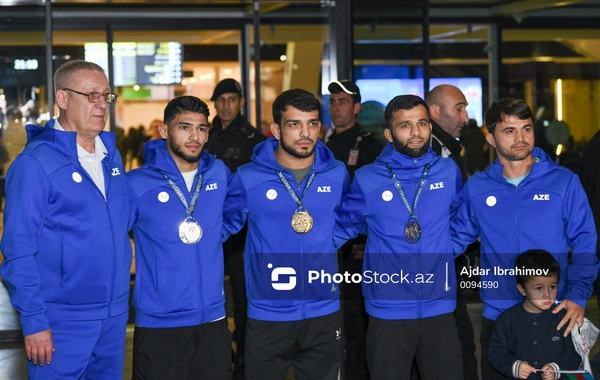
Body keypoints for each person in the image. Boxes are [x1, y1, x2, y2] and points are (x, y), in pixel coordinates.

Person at [0, 59, 138, 379]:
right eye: (91, 95)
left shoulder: (110, 156)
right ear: (63, 99)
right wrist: (34, 322)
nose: (101, 104)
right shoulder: (34, 164)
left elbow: (126, 218)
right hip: (62, 321)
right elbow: (18, 251)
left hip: (114, 315)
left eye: (106, 96)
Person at [451, 98, 599, 380]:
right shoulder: (478, 187)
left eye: (527, 129)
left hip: (554, 314)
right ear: (491, 138)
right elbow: (455, 238)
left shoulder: (564, 182)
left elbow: (584, 241)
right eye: (509, 130)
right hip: (499, 316)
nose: (521, 138)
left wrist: (578, 294)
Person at [223, 89, 350, 380]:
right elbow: (222, 226)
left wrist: (326, 242)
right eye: (295, 124)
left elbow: (350, 218)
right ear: (276, 130)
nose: (305, 133)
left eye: (313, 123)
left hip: (323, 310)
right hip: (268, 313)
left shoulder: (338, 173)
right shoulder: (247, 178)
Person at [335, 94, 464, 380]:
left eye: (422, 123)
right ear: (389, 134)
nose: (416, 132)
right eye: (405, 125)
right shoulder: (368, 179)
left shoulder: (448, 170)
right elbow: (342, 227)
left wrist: (447, 247)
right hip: (387, 307)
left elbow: (462, 216)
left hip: (439, 305)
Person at [127, 96, 232, 379]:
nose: (194, 136)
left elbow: (236, 210)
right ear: (164, 131)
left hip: (213, 320)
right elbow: (111, 233)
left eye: (201, 128)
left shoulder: (219, 173)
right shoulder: (137, 184)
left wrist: (210, 236)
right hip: (159, 322)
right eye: (184, 127)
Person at [205, 78, 266, 377]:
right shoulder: (204, 133)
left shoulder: (253, 138)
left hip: (242, 235)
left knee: (243, 300)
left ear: (241, 102)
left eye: (232, 99)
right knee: (208, 294)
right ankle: (218, 353)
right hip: (208, 231)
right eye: (221, 99)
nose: (226, 105)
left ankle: (243, 359)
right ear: (214, 103)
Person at [326, 79, 383, 380]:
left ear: (357, 107)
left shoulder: (371, 146)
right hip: (326, 249)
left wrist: (365, 240)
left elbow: (376, 201)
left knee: (357, 324)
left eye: (343, 101)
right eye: (333, 101)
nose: (336, 107)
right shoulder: (321, 147)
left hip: (357, 252)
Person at [426, 84, 479, 380]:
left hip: (449, 262)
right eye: (459, 108)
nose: (465, 116)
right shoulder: (428, 153)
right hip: (434, 268)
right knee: (453, 346)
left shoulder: (449, 149)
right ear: (435, 112)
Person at [488, 250, 581, 380]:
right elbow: (496, 353)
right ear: (522, 290)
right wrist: (514, 366)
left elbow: (574, 353)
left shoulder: (564, 318)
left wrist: (556, 368)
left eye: (552, 287)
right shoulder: (507, 320)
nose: (547, 294)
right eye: (539, 288)